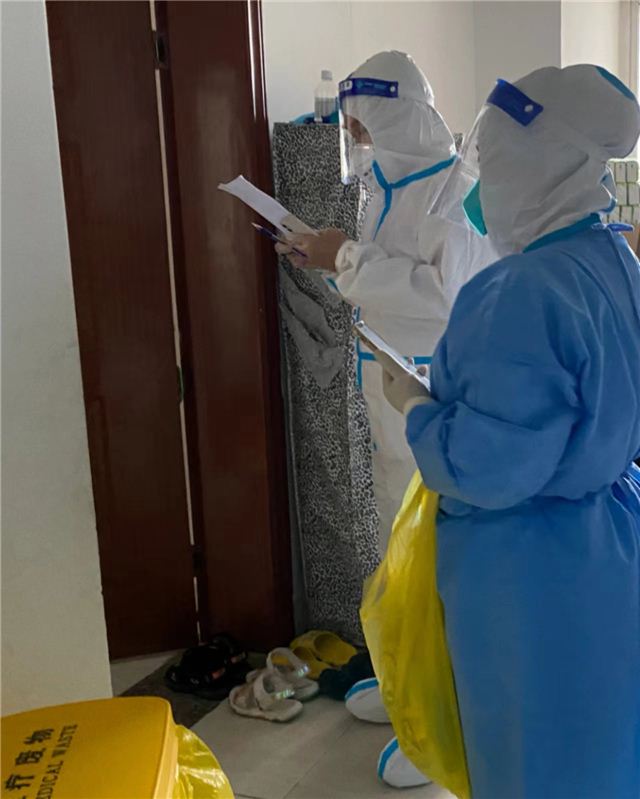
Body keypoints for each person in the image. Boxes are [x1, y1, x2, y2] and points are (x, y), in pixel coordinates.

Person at [378, 64, 640, 798]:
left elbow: (488, 467)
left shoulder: (520, 290)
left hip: (528, 571)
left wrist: (417, 407)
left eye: (491, 165)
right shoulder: (617, 259)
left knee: (533, 753)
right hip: (609, 544)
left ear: (540, 162)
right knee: (603, 739)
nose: (480, 190)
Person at [278, 50, 494, 555]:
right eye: (350, 127)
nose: (355, 138)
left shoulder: (453, 191)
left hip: (434, 387)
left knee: (435, 529)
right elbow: (383, 280)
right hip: (389, 382)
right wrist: (327, 263)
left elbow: (447, 293)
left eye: (361, 125)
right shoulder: (384, 191)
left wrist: (346, 258)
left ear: (398, 118)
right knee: (397, 520)